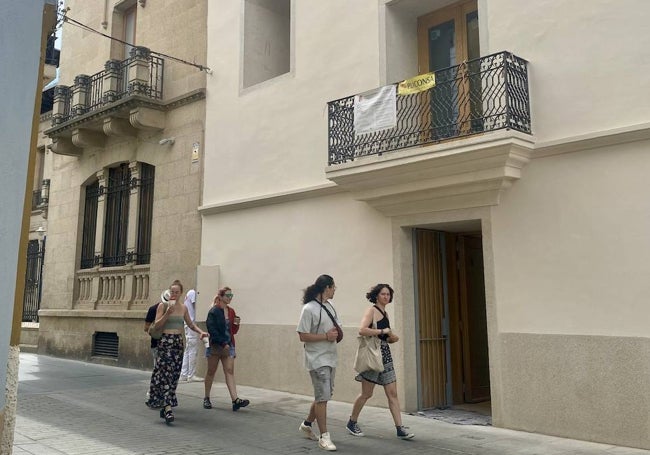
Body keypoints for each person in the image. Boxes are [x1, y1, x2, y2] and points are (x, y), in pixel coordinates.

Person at [346, 283, 414, 440]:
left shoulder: (385, 313)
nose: (386, 297)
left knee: (393, 394)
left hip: (385, 356)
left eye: (388, 294)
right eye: (383, 294)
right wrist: (383, 331)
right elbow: (362, 330)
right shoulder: (371, 311)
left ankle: (399, 428)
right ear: (376, 295)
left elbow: (385, 337)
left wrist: (391, 338)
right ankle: (352, 422)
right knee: (366, 394)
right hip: (373, 356)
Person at [146, 280, 208, 424]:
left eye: (176, 292)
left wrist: (201, 332)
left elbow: (190, 324)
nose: (174, 294)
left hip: (177, 343)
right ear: (169, 292)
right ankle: (168, 409)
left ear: (180, 293)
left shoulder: (184, 308)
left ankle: (165, 404)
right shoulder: (163, 306)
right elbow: (157, 325)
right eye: (172, 292)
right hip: (165, 342)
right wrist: (167, 313)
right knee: (166, 375)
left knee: (174, 375)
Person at [296, 274, 342, 452]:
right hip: (316, 359)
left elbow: (335, 326)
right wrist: (326, 336)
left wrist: (335, 333)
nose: (335, 290)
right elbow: (302, 335)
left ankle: (307, 424)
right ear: (326, 288)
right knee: (323, 398)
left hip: (331, 356)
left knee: (324, 395)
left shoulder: (330, 306)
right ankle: (324, 437)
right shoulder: (308, 309)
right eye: (333, 287)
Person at [203, 286, 249, 411]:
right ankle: (206, 397)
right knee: (211, 371)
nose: (230, 298)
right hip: (216, 345)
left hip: (229, 345)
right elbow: (212, 329)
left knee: (229, 371)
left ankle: (235, 400)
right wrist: (223, 343)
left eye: (231, 296)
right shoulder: (214, 311)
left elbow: (232, 331)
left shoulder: (231, 311)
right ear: (221, 297)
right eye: (228, 296)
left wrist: (236, 324)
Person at [180, 289, 200, 381]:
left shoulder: (189, 293)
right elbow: (197, 307)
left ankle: (184, 374)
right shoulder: (193, 293)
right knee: (193, 349)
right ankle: (191, 375)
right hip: (191, 323)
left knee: (188, 349)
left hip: (188, 323)